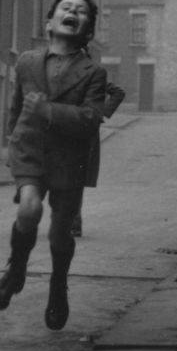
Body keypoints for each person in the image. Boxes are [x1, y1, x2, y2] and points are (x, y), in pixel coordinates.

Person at [0, 0, 106, 331]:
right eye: (66, 8)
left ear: (87, 30)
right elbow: (16, 108)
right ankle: (16, 272)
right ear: (49, 22)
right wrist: (13, 141)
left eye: (81, 11)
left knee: (59, 235)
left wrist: (48, 110)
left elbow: (90, 118)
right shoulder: (26, 61)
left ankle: (58, 287)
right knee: (28, 209)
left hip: (70, 157)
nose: (73, 12)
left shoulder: (93, 73)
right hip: (30, 150)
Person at [71, 81, 126, 238]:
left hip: (85, 134)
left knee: (77, 179)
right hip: (64, 129)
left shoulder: (93, 75)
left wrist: (102, 113)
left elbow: (118, 92)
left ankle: (75, 223)